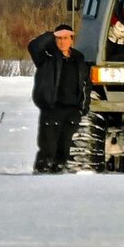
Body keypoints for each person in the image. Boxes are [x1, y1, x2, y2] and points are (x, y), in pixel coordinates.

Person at [28, 24, 91, 173]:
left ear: (71, 40)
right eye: (59, 38)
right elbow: (33, 46)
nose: (62, 42)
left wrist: (83, 107)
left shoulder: (79, 59)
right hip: (52, 108)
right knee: (48, 148)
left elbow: (86, 85)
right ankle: (42, 173)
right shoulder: (47, 57)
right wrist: (52, 34)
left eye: (66, 38)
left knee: (64, 149)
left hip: (72, 111)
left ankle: (58, 176)